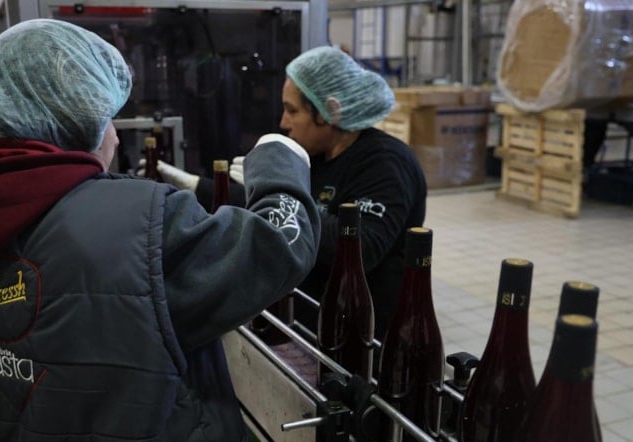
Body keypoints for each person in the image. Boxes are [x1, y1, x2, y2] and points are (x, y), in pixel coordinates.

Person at [0, 19, 320, 442]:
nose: (117, 135)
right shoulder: (143, 227)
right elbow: (277, 249)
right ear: (75, 124)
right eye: (107, 119)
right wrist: (279, 161)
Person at [149, 45, 427, 340]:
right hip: (313, 323)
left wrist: (282, 192)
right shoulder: (317, 155)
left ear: (331, 111)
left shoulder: (386, 163)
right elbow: (284, 209)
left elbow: (362, 247)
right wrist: (196, 186)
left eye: (292, 111)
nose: (283, 122)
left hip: (363, 334)